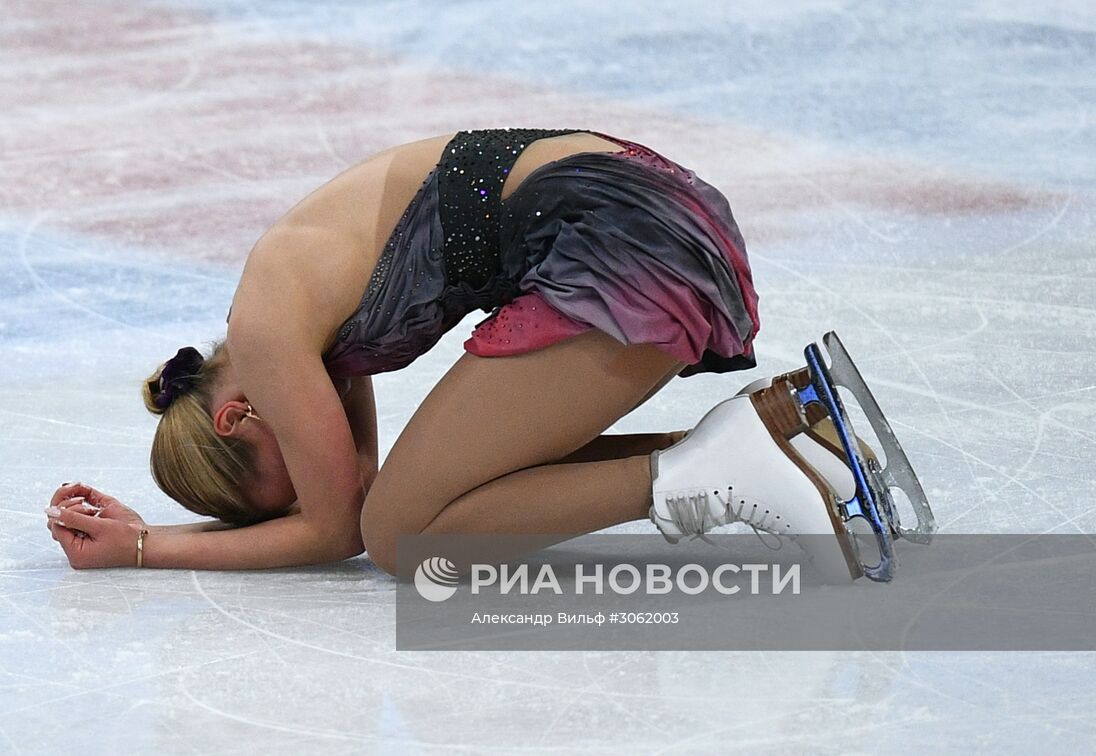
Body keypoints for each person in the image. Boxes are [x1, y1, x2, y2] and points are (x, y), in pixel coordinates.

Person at [45, 128, 879, 581]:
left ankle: (724, 474)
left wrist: (150, 547)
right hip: (651, 214)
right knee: (425, 505)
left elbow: (344, 527)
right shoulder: (309, 335)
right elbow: (370, 487)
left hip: (616, 238)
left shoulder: (267, 333)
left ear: (238, 416)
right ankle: (790, 442)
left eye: (291, 478)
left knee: (404, 540)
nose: (320, 475)